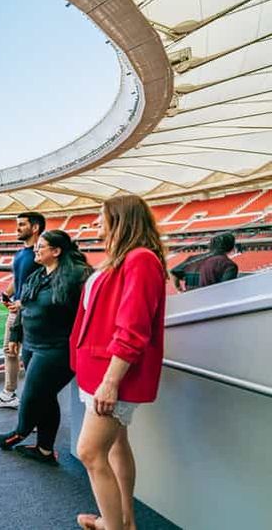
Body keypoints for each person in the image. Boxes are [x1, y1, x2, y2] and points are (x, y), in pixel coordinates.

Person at [71, 195, 167, 530]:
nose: (97, 222)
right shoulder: (120, 260)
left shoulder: (141, 260)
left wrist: (111, 380)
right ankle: (125, 522)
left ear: (121, 220)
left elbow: (133, 327)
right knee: (115, 445)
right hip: (97, 370)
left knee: (89, 452)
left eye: (102, 217)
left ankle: (113, 527)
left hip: (112, 374)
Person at [0, 230, 92, 465]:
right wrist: (16, 335)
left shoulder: (77, 276)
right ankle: (45, 450)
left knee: (32, 395)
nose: (36, 250)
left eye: (42, 247)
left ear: (56, 251)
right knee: (46, 397)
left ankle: (20, 431)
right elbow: (23, 307)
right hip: (32, 345)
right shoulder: (37, 276)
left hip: (57, 349)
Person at [0, 212, 44, 409]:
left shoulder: (40, 253)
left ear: (35, 228)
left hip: (31, 312)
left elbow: (45, 283)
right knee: (10, 352)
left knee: (31, 357)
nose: (17, 228)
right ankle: (9, 394)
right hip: (15, 311)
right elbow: (18, 279)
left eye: (21, 224)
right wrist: (6, 294)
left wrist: (23, 302)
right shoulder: (21, 253)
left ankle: (35, 404)